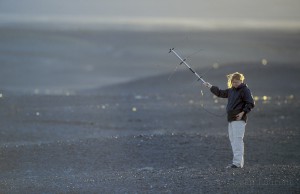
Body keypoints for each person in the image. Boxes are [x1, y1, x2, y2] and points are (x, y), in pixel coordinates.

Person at [203, 72, 255, 168]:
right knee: (233, 140)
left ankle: (237, 163)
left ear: (241, 80)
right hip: (231, 119)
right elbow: (220, 93)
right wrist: (210, 86)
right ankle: (237, 163)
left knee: (238, 140)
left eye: (237, 82)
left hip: (239, 119)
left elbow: (250, 103)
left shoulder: (245, 90)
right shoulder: (231, 91)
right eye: (233, 82)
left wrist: (243, 112)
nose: (235, 84)